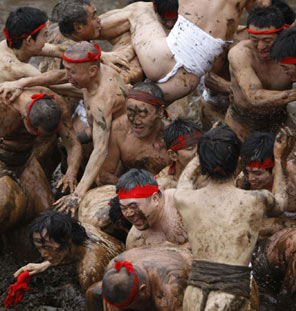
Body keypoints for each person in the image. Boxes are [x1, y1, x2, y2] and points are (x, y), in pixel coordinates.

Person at [174, 125, 294, 311]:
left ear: (203, 164)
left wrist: (207, 148)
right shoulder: (256, 200)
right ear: (239, 162)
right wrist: (279, 159)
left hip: (193, 295)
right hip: (230, 296)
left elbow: (186, 179)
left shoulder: (184, 198)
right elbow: (281, 202)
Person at [2, 41, 128, 216]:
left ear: (92, 71)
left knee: (102, 177)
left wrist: (77, 194)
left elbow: (101, 150)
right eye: (67, 68)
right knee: (67, 144)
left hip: (117, 133)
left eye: (72, 71)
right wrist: (22, 83)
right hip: (96, 126)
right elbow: (61, 76)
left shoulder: (101, 100)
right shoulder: (92, 73)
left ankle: (137, 189)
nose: (67, 74)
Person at [96, 0, 272, 102]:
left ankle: (87, 31)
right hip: (186, 81)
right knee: (129, 97)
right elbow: (264, 18)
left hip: (161, 59)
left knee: (139, 9)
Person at [0, 89, 81, 259]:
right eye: (36, 133)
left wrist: (71, 173)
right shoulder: (4, 105)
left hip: (26, 160)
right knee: (6, 206)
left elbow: (73, 144)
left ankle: (32, 261)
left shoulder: (57, 104)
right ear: (26, 121)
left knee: (47, 217)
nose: (38, 138)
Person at [225, 6, 296, 141]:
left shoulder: (293, 51)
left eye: (267, 40)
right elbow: (254, 96)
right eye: (254, 39)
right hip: (241, 123)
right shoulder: (240, 53)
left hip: (279, 122)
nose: (260, 46)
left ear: (281, 35)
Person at [14, 210, 124, 293]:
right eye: (39, 248)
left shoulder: (89, 272)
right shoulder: (84, 230)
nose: (43, 254)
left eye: (48, 247)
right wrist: (44, 265)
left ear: (67, 240)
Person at [98, 82, 170, 185]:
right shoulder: (118, 129)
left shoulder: (172, 136)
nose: (136, 121)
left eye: (143, 114)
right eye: (130, 113)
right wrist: (130, 188)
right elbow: (103, 176)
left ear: (160, 112)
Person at [85, 245, 191, 311]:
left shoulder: (171, 290)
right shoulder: (115, 265)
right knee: (92, 292)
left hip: (181, 258)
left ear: (143, 290)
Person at [116, 169, 188, 249]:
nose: (129, 214)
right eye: (123, 208)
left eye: (133, 206)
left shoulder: (182, 203)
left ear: (155, 199)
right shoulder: (135, 241)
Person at [157, 118, 204, 190]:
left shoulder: (211, 174)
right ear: (173, 155)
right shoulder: (161, 185)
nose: (198, 153)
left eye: (201, 146)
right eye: (190, 148)